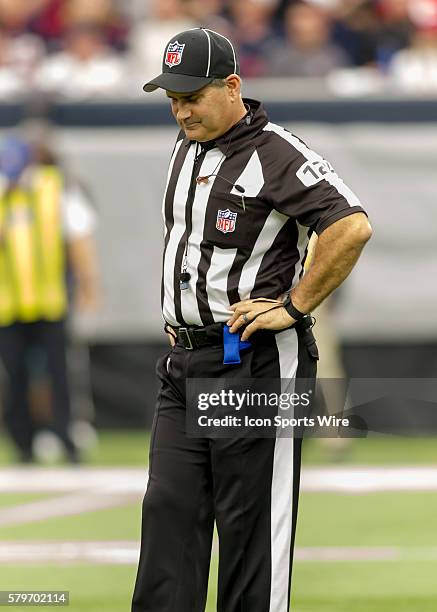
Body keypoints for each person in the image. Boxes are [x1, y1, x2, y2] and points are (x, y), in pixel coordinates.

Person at [132, 27, 372, 612]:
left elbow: (350, 225)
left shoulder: (277, 152)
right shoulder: (187, 145)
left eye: (192, 96)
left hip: (254, 364)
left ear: (232, 86)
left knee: (251, 532)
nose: (180, 110)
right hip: (183, 362)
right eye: (172, 97)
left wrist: (293, 305)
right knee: (169, 516)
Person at [0, 135, 99, 462]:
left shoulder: (53, 188)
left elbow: (78, 237)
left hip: (50, 300)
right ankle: (23, 446)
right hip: (8, 305)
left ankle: (67, 440)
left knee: (59, 375)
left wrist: (87, 284)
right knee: (15, 377)